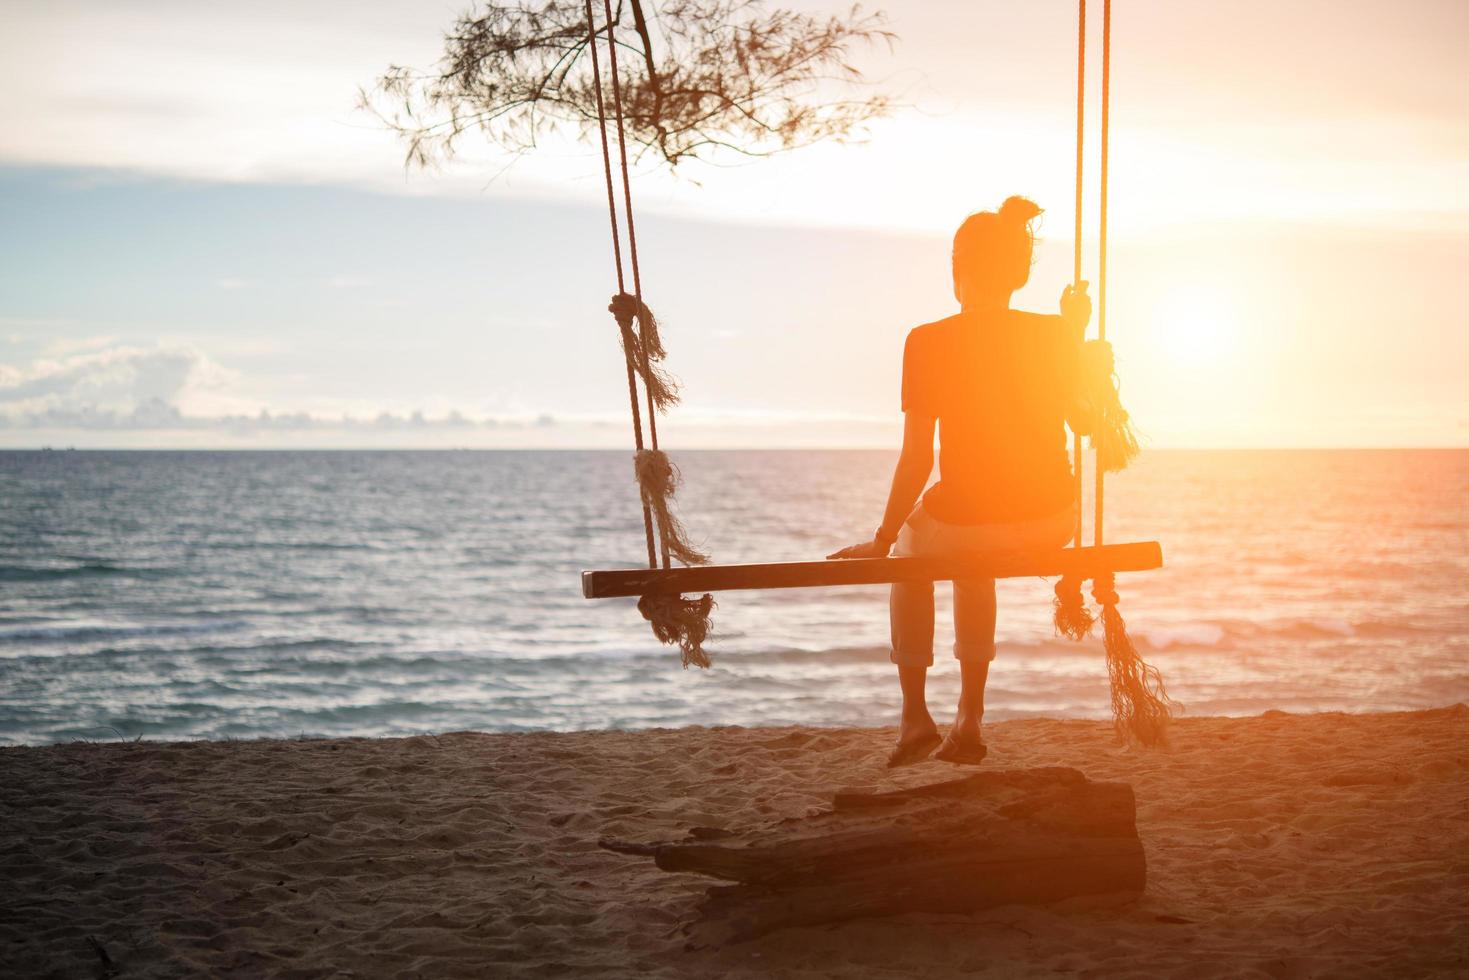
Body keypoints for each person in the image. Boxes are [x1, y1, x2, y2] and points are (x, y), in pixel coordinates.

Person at [827, 196, 1098, 767]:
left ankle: (914, 717)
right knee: (973, 551)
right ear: (1019, 273)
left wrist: (881, 539)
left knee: (919, 547)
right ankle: (970, 716)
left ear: (958, 270)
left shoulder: (928, 340)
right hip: (1052, 517)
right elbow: (1088, 423)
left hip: (972, 520)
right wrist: (1075, 339)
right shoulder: (1053, 334)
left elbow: (916, 460)